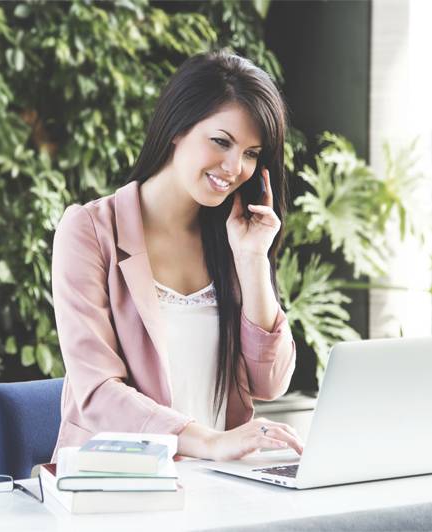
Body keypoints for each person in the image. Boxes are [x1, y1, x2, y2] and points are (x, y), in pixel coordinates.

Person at [50, 50, 303, 463]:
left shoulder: (233, 238)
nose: (235, 167)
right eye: (221, 141)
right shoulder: (90, 231)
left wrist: (253, 260)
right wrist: (207, 441)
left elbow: (270, 383)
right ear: (176, 129)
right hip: (117, 483)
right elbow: (96, 392)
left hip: (219, 486)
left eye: (252, 153)